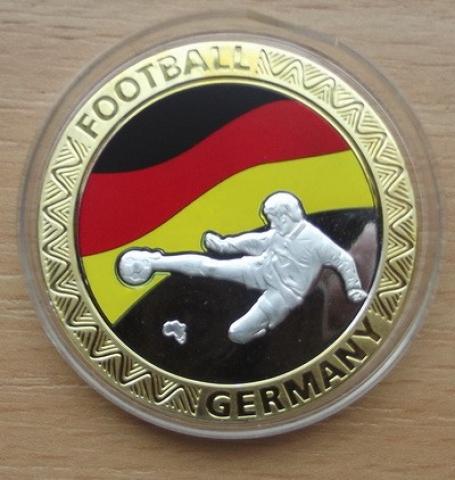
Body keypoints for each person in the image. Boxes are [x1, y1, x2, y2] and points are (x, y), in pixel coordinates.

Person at [117, 192, 367, 344]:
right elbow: (255, 242)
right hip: (261, 268)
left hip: (283, 293)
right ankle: (155, 262)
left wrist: (354, 288)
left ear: (286, 216)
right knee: (210, 267)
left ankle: (262, 331)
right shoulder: (280, 232)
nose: (271, 224)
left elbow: (343, 260)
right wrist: (223, 245)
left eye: (273, 218)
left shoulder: (315, 240)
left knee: (237, 334)